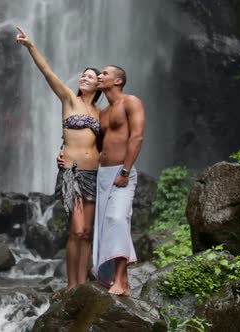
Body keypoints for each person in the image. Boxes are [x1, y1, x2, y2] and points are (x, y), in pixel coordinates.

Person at [15, 27, 102, 290]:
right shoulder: (69, 100)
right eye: (83, 75)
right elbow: (48, 72)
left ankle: (83, 283)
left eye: (91, 77)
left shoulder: (101, 112)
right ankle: (72, 285)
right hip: (72, 173)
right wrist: (31, 46)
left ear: (99, 85)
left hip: (94, 174)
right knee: (76, 230)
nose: (85, 78)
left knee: (87, 233)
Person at [59, 65, 146, 296]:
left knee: (117, 219)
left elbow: (137, 136)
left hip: (121, 172)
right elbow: (89, 143)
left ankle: (122, 281)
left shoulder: (131, 101)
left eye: (104, 74)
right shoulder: (102, 113)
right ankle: (107, 279)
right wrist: (65, 153)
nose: (99, 76)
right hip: (101, 174)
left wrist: (126, 171)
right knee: (104, 227)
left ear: (117, 81)